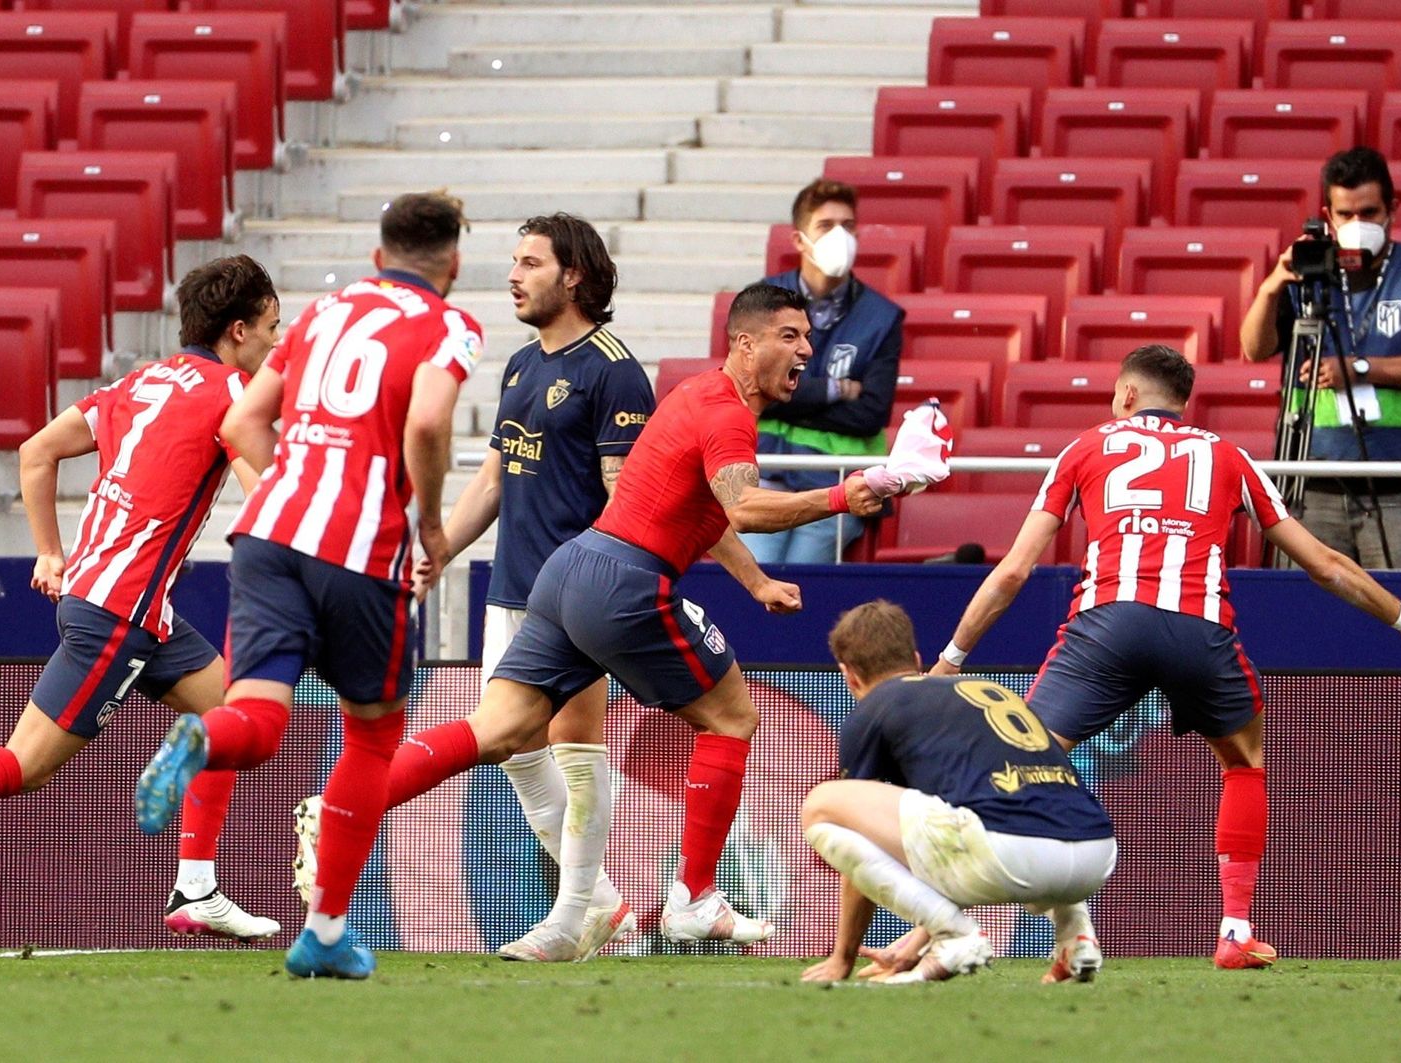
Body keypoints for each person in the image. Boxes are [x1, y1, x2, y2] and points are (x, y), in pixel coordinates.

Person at [358, 283, 916, 963]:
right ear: (745, 344)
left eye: (808, 336)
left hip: (568, 572)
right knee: (732, 716)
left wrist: (756, 581)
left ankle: (344, 808)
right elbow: (742, 507)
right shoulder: (729, 415)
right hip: (626, 584)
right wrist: (843, 494)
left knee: (497, 729)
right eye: (789, 335)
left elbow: (705, 512)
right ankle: (694, 898)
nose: (806, 349)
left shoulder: (698, 396)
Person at [928, 344, 1401, 969]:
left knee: (1025, 761)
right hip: (1197, 628)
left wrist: (952, 658)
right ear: (1184, 401)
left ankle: (941, 926)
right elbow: (1323, 563)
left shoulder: (1084, 448)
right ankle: (1235, 930)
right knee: (1244, 762)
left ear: (1127, 394)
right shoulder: (1229, 456)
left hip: (1107, 626)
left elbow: (1015, 571)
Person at [133, 191, 484, 980]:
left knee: (255, 720)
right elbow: (429, 422)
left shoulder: (321, 313)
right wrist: (430, 524)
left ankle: (202, 737)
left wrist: (291, 489)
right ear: (453, 264)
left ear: (377, 256)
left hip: (267, 536)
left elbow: (242, 424)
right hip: (361, 548)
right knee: (372, 735)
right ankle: (324, 929)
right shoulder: (449, 324)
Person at [290, 213, 651, 961]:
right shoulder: (521, 366)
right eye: (514, 261)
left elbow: (626, 498)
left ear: (574, 276)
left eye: (530, 263)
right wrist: (438, 552)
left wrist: (598, 583)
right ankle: (603, 904)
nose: (513, 276)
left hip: (575, 593)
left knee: (571, 745)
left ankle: (573, 914)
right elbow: (492, 479)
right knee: (515, 750)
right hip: (510, 590)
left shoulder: (613, 369)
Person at [0, 255, 284, 942]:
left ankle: (196, 887)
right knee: (25, 766)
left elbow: (36, 451)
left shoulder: (139, 382)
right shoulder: (234, 394)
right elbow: (268, 495)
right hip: (120, 613)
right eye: (271, 327)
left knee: (231, 716)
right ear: (238, 330)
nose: (273, 342)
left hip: (117, 600)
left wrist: (50, 551)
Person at [799, 600, 1116, 985]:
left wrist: (842, 957)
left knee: (822, 804)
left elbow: (874, 846)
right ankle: (1075, 937)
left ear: (848, 675)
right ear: (916, 659)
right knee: (1031, 806)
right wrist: (913, 946)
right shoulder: (985, 690)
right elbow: (953, 838)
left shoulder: (874, 709)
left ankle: (955, 936)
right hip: (1095, 856)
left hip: (1010, 856)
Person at [1239, 146, 1401, 569]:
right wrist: (1272, 286)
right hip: (1312, 486)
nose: (1358, 224)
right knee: (1306, 606)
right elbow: (1254, 348)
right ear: (1329, 216)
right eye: (1346, 214)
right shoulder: (1306, 274)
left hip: (1399, 487)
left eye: (1369, 212)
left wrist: (1359, 369)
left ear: (1391, 209)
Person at [741, 178, 903, 564]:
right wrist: (833, 390)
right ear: (800, 240)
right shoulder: (762, 301)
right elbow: (747, 389)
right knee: (758, 576)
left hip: (838, 482)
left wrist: (784, 397)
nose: (839, 236)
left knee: (802, 579)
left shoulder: (883, 317)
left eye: (847, 226)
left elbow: (871, 414)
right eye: (826, 226)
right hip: (766, 471)